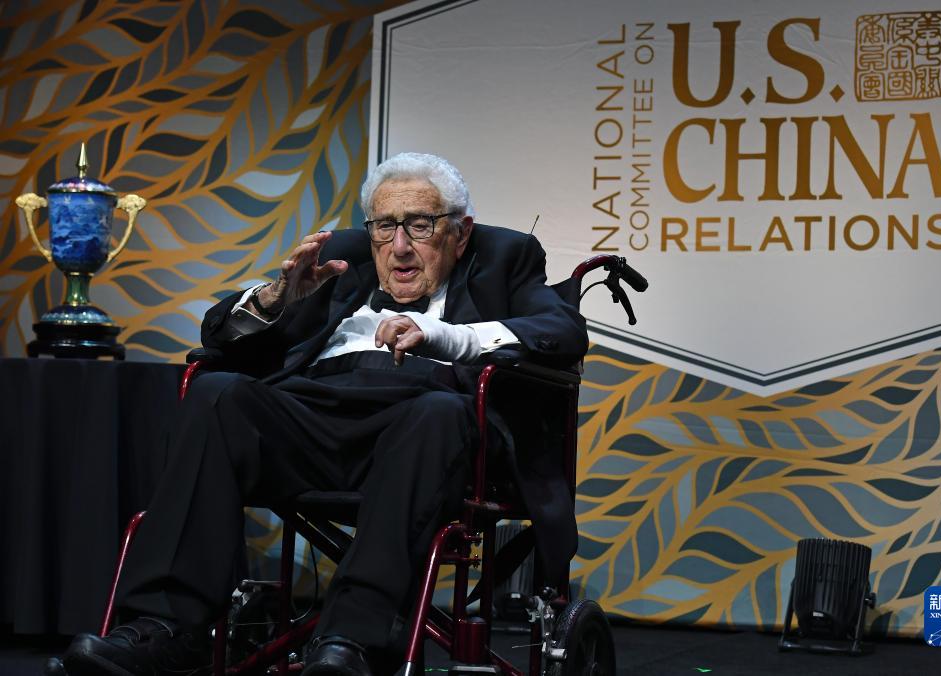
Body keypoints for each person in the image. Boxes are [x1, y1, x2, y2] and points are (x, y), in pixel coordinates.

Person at [58, 153, 588, 676]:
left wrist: (443, 336)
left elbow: (562, 332)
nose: (400, 247)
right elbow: (219, 336)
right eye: (384, 227)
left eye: (420, 225)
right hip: (311, 422)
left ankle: (351, 641)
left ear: (461, 232)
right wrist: (276, 299)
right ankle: (167, 628)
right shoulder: (339, 266)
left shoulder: (505, 261)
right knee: (216, 392)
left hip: (419, 429)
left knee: (437, 413)